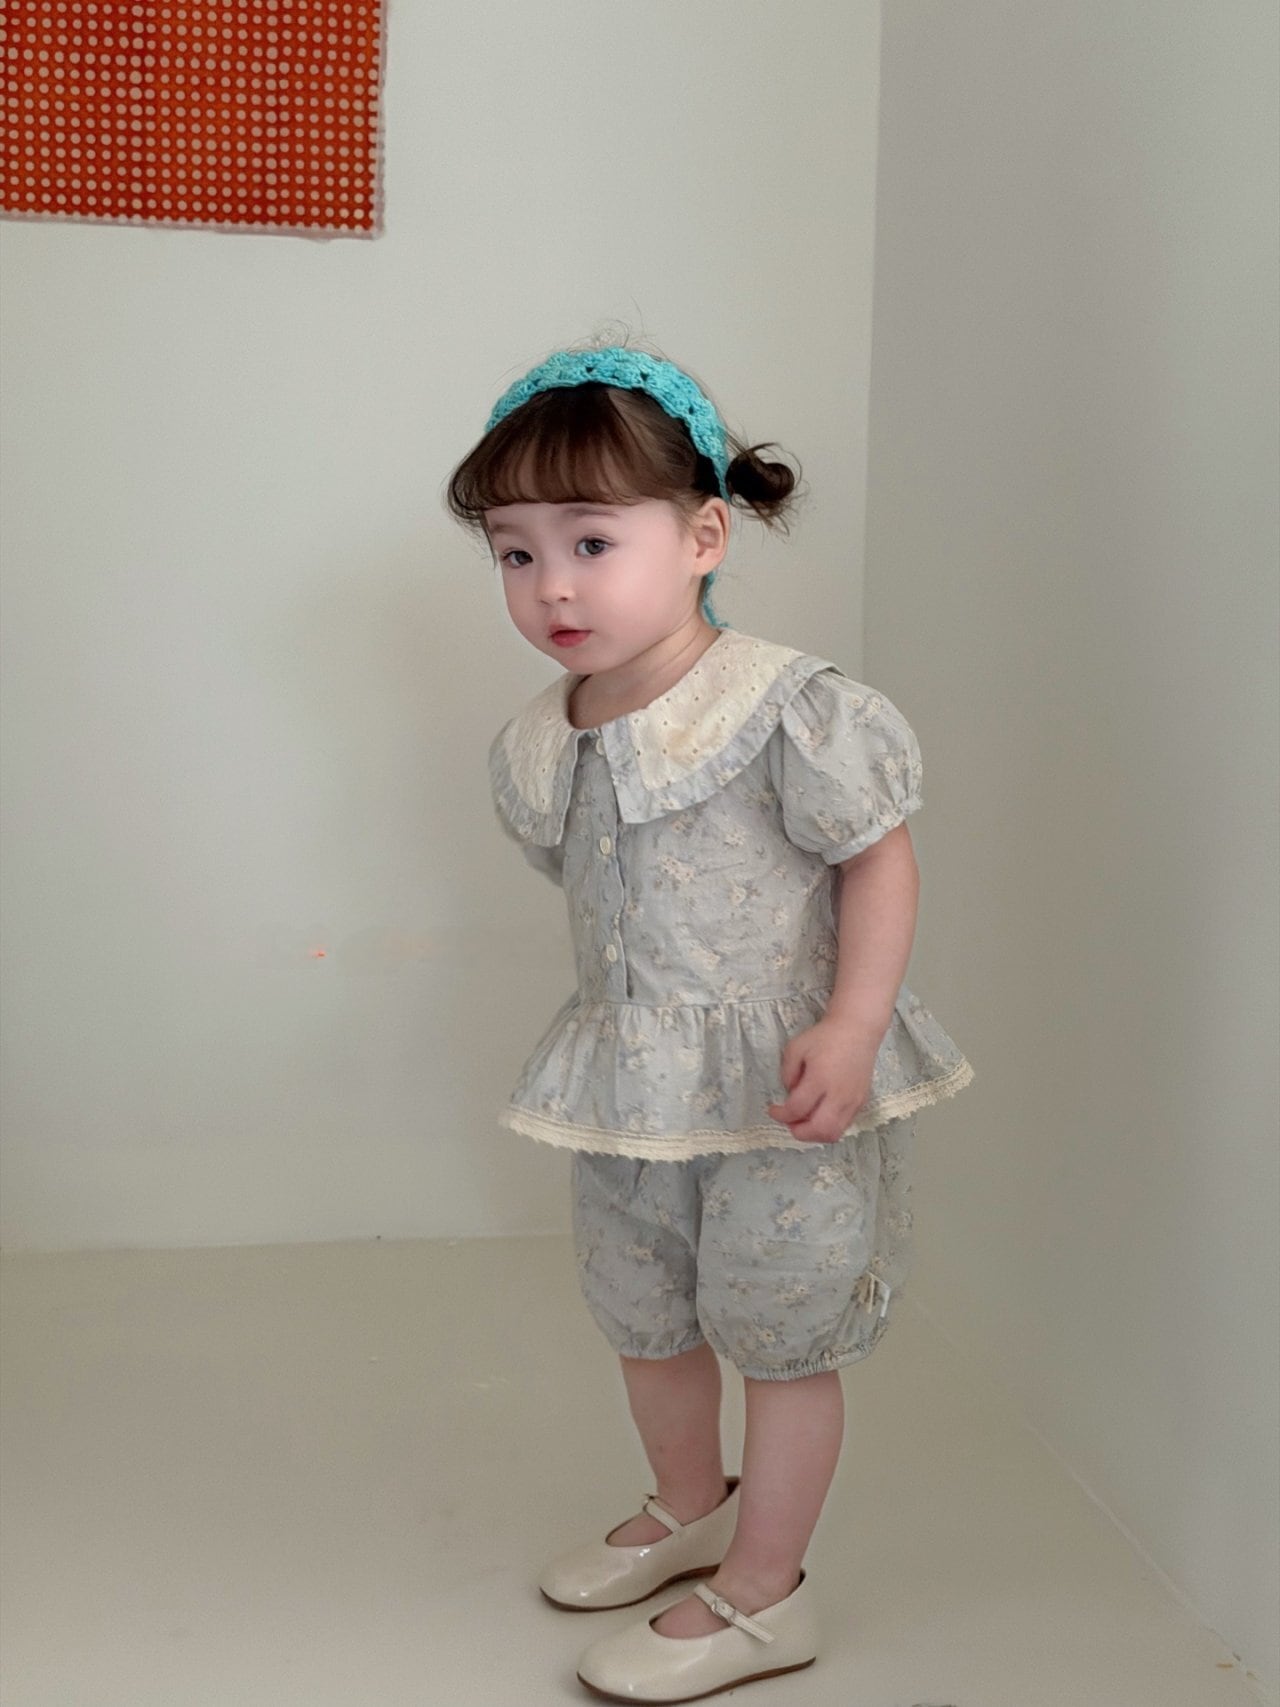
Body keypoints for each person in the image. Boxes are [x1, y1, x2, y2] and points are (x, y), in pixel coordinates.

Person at [446, 339, 976, 1703]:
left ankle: (766, 1591)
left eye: (592, 541)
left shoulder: (783, 710)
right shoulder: (549, 735)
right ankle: (691, 1506)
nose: (554, 585)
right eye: (515, 553)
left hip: (780, 1086)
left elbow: (877, 859)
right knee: (645, 1309)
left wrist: (853, 1022)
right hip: (633, 1081)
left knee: (777, 1325)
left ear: (702, 538)